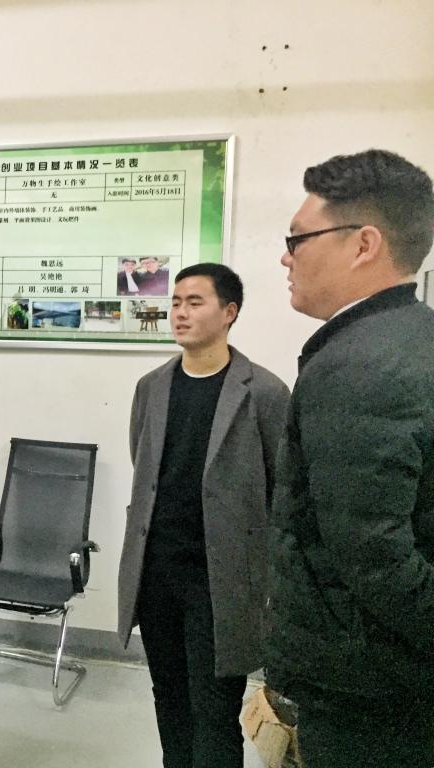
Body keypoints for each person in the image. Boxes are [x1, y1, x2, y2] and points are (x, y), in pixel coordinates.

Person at [267, 149, 434, 767]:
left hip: (369, 689)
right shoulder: (412, 335)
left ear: (364, 244)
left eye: (298, 239)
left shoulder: (359, 366)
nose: (286, 257)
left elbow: (376, 559)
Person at [117, 263, 290, 768]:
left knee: (214, 714)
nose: (180, 312)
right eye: (175, 302)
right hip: (157, 574)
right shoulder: (152, 387)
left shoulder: (263, 392)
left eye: (195, 302)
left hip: (221, 582)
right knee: (169, 700)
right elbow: (144, 467)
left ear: (229, 312)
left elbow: (282, 489)